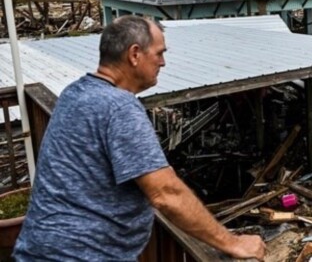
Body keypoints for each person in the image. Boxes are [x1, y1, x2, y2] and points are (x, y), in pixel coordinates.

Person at [14, 16, 266, 261]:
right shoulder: (119, 107)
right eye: (159, 53)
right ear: (135, 54)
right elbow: (166, 193)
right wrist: (233, 242)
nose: (163, 62)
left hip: (39, 248)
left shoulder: (75, 93)